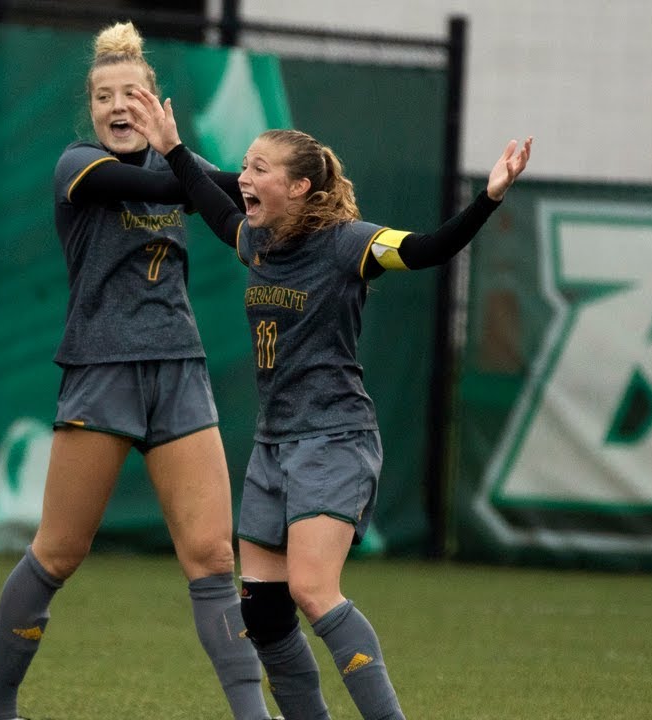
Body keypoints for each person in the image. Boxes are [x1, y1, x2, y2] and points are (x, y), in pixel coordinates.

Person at [126, 86, 530, 719]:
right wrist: (173, 149)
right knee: (261, 611)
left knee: (314, 590)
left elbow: (428, 249)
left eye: (260, 169)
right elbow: (211, 200)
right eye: (245, 166)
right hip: (273, 445)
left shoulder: (348, 245)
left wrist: (490, 196)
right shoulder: (258, 241)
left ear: (301, 189)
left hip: (333, 438)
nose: (244, 177)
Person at [0, 22, 273, 720]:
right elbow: (177, 187)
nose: (116, 105)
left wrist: (284, 191)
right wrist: (194, 166)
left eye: (131, 93)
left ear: (154, 100)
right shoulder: (77, 165)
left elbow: (223, 200)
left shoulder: (176, 166)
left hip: (180, 370)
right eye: (103, 94)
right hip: (102, 372)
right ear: (90, 106)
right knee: (58, 554)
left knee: (211, 560)